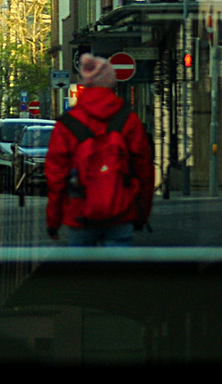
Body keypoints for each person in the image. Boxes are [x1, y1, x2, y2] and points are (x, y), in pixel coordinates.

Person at [44, 53, 155, 247]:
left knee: (82, 274)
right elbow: (144, 170)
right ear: (112, 83)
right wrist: (141, 213)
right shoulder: (129, 121)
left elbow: (56, 178)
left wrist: (53, 221)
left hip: (80, 213)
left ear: (84, 83)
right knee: (118, 274)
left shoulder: (67, 125)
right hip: (121, 211)